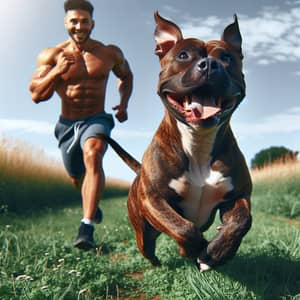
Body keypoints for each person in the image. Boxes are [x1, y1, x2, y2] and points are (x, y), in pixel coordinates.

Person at [29, 0, 133, 250]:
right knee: (77, 177)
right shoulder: (51, 55)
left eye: (84, 21)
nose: (79, 26)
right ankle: (91, 202)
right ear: (66, 23)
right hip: (67, 125)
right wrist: (56, 72)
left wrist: (123, 103)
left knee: (94, 153)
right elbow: (36, 95)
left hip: (97, 119)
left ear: (92, 23)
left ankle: (86, 228)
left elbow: (126, 76)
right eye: (74, 21)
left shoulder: (109, 53)